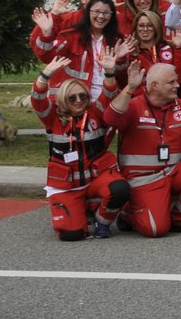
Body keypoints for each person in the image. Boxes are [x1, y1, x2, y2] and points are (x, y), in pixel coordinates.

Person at [104, 62, 181, 236]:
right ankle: (127, 212)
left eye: (176, 81)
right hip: (143, 179)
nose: (177, 85)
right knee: (155, 230)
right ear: (154, 85)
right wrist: (130, 87)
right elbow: (111, 118)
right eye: (171, 82)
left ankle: (180, 220)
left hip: (173, 170)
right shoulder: (133, 106)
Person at [31, 51, 131, 240]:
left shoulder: (95, 113)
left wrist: (109, 72)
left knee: (120, 189)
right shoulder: (51, 118)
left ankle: (101, 221)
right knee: (72, 235)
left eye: (83, 96)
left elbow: (109, 94)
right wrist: (45, 75)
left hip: (95, 180)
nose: (78, 101)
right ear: (62, 99)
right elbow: (37, 99)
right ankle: (81, 211)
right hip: (67, 187)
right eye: (72, 98)